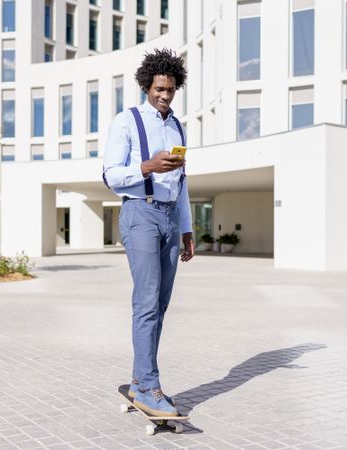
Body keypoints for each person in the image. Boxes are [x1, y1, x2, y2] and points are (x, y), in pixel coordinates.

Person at [103, 48, 194, 417]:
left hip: (171, 217)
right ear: (146, 85)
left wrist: (187, 228)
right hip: (140, 213)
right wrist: (147, 166)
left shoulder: (177, 125)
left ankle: (141, 382)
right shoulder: (126, 121)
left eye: (171, 89)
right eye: (159, 88)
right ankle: (150, 384)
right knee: (146, 302)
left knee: (159, 305)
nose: (165, 95)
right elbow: (110, 175)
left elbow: (182, 180)